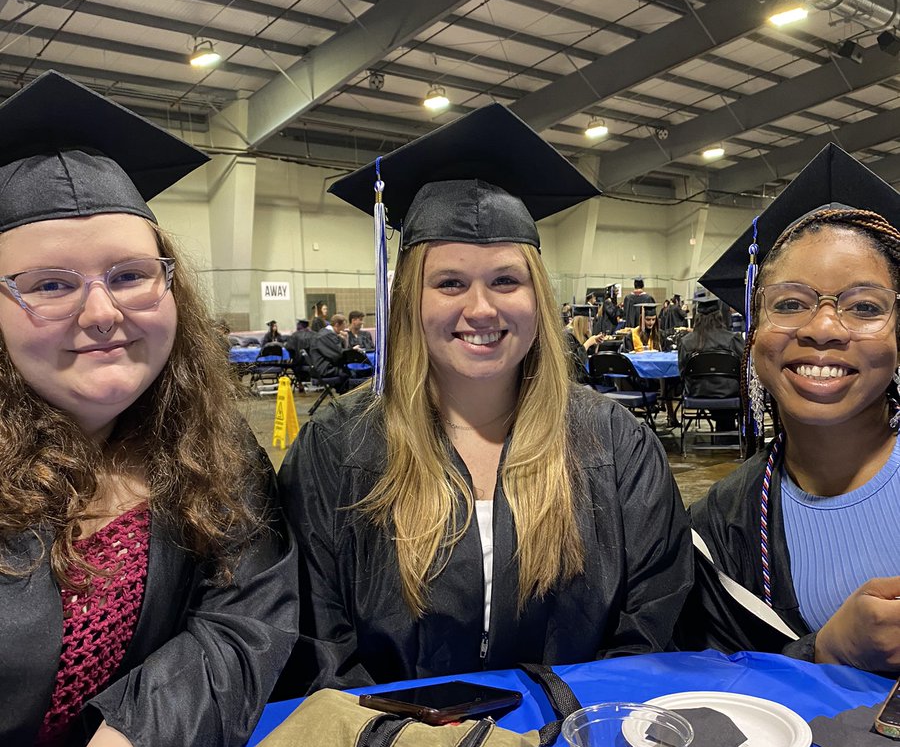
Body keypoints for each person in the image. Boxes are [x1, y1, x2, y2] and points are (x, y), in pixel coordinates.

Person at [0, 72, 298, 747]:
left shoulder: (211, 449)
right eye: (48, 284)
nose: (102, 312)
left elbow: (243, 626)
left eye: (131, 275)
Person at [278, 104, 692, 691]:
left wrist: (566, 736)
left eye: (505, 280)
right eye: (449, 283)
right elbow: (317, 642)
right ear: (410, 301)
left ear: (537, 299)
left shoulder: (615, 445)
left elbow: (654, 624)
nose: (481, 308)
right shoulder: (336, 449)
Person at [679, 144, 900, 673]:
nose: (822, 328)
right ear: (754, 333)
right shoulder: (720, 527)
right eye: (790, 303)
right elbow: (716, 690)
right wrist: (825, 651)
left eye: (865, 307)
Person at [677, 289, 744, 435]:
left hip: (697, 392)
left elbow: (682, 373)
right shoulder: (733, 339)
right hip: (730, 393)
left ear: (696, 316)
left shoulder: (686, 342)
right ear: (720, 315)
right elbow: (744, 368)